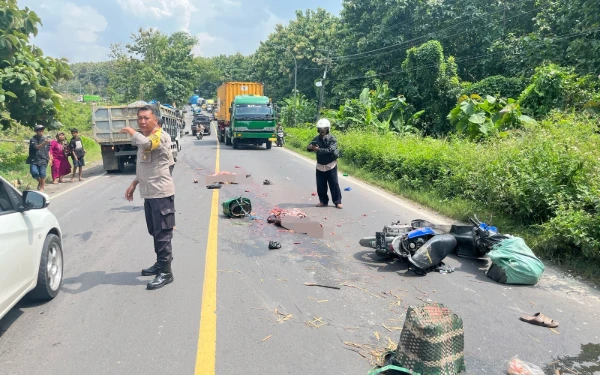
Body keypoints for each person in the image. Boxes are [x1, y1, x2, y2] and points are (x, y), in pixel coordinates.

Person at [120, 105, 176, 290]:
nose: (142, 122)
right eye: (139, 119)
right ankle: (160, 264)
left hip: (160, 193)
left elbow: (148, 145)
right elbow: (144, 166)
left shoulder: (159, 135)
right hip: (149, 193)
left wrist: (131, 131)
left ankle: (166, 272)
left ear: (155, 120)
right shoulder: (146, 137)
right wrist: (134, 183)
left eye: (146, 118)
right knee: (154, 231)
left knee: (163, 234)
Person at [307, 118, 343, 209]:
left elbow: (331, 150)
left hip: (331, 165)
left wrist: (318, 150)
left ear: (328, 129)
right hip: (320, 165)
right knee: (320, 184)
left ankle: (337, 202)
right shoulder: (316, 139)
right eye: (320, 129)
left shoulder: (332, 139)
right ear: (318, 129)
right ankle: (323, 201)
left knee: (334, 184)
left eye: (324, 129)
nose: (322, 131)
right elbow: (308, 148)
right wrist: (310, 147)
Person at [26, 124, 52, 192]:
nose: (41, 132)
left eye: (42, 130)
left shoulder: (46, 139)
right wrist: (44, 143)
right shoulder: (33, 139)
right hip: (34, 159)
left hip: (43, 158)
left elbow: (48, 150)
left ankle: (42, 187)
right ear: (36, 131)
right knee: (34, 172)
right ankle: (40, 182)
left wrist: (50, 158)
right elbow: (37, 147)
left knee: (42, 173)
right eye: (39, 130)